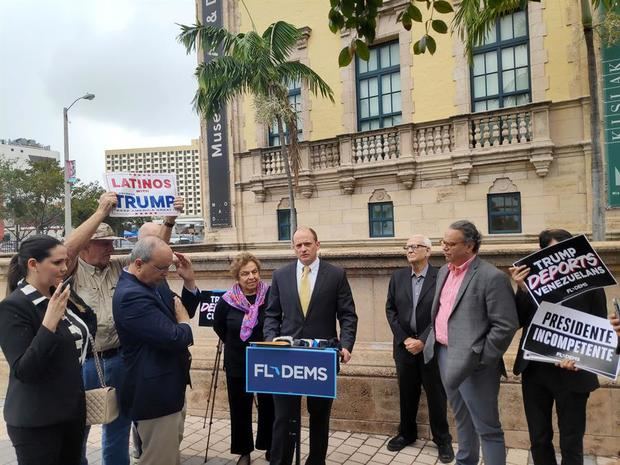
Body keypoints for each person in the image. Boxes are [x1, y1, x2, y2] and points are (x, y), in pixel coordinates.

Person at [63, 193, 192, 465]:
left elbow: (153, 255)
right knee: (76, 431)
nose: (110, 248)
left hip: (119, 358)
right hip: (84, 362)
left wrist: (169, 221)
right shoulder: (72, 270)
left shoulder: (119, 268)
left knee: (118, 429)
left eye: (111, 242)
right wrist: (100, 212)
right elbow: (67, 249)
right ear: (87, 245)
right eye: (102, 243)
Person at [423, 220, 518, 465]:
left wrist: (483, 358)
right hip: (444, 354)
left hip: (476, 364)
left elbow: (505, 325)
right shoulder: (444, 271)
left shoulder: (492, 277)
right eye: (442, 243)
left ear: (470, 245)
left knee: (487, 427)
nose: (443, 248)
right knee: (461, 417)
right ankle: (465, 461)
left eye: (450, 244)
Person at [510, 228, 607, 465]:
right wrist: (522, 289)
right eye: (554, 252)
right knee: (539, 437)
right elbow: (517, 320)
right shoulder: (531, 284)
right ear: (542, 254)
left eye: (566, 251)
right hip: (535, 371)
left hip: (573, 372)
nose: (562, 258)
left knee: (571, 441)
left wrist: (579, 356)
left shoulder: (592, 284)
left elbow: (600, 330)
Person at [264, 226, 358, 465]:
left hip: (321, 358)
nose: (303, 249)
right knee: (283, 417)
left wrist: (346, 345)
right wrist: (270, 341)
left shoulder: (336, 274)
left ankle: (316, 461)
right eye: (298, 245)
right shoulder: (280, 275)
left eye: (307, 244)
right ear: (293, 247)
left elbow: (347, 315)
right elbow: (272, 315)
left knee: (319, 416)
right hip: (286, 358)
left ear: (317, 244)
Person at [0, 235, 97, 465]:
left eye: (65, 261)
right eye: (56, 263)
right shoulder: (13, 307)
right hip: (37, 420)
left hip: (71, 413)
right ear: (33, 264)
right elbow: (25, 370)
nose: (64, 268)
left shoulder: (60, 293)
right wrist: (49, 324)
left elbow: (89, 325)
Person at [112, 236, 199, 465]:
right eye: (162, 268)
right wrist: (184, 325)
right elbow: (175, 335)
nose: (167, 273)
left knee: (169, 455)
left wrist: (189, 283)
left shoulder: (153, 282)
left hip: (170, 388)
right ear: (139, 263)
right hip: (154, 395)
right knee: (159, 459)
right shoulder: (131, 295)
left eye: (169, 266)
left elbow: (180, 311)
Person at [384, 235, 453, 462]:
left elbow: (444, 313)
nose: (410, 250)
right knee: (407, 393)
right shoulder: (398, 277)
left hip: (431, 347)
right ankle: (406, 434)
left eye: (416, 246)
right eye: (408, 247)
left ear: (428, 251)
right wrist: (404, 339)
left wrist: (423, 340)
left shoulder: (441, 276)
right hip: (404, 348)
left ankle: (442, 440)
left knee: (436, 395)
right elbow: (390, 310)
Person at [213, 253, 274, 465]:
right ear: (237, 277)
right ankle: (244, 451)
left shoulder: (271, 295)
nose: (251, 277)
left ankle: (270, 445)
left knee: (269, 405)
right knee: (239, 408)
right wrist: (237, 344)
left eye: (254, 272)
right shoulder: (227, 301)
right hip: (237, 362)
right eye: (245, 273)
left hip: (266, 361)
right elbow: (219, 327)